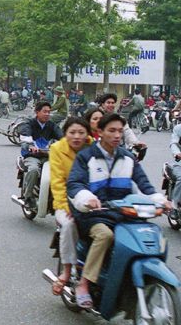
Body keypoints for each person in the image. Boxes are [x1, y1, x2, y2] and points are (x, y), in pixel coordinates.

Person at [67, 113, 170, 308]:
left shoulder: (128, 158)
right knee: (105, 236)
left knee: (146, 236)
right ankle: (84, 284)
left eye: (120, 131)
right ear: (100, 132)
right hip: (93, 215)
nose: (116, 135)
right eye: (111, 130)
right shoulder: (86, 156)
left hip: (122, 213)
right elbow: (74, 184)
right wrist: (87, 198)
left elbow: (145, 184)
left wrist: (160, 200)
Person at [49, 116, 93, 294]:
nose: (76, 137)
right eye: (72, 132)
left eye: (81, 133)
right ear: (65, 134)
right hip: (66, 202)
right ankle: (66, 271)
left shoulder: (94, 148)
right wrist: (66, 207)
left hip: (90, 201)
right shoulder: (57, 149)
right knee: (68, 224)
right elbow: (58, 182)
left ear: (87, 134)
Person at [12, 101, 63, 211]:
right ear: (37, 112)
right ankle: (28, 197)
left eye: (49, 112)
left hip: (47, 155)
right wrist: (30, 145)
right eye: (44, 111)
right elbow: (25, 133)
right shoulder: (29, 123)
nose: (47, 114)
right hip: (32, 156)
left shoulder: (52, 125)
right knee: (34, 170)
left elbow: (62, 136)